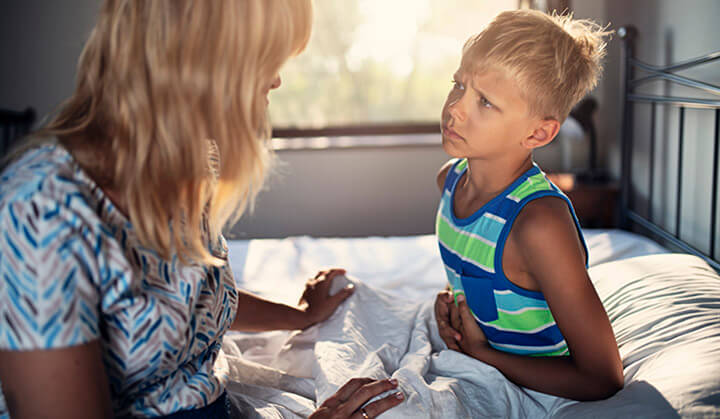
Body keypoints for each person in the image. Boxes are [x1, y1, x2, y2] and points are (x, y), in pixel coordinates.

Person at [0, 1, 403, 418]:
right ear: (201, 63)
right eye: (267, 57)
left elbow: (194, 298)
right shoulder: (41, 209)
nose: (278, 79)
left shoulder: (190, 159)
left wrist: (300, 316)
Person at [433, 10, 624, 401]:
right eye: (458, 85)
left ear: (538, 132)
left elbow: (603, 377)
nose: (455, 108)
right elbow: (475, 268)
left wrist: (481, 354)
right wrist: (454, 304)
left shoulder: (538, 224)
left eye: (485, 101)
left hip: (534, 392)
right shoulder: (449, 180)